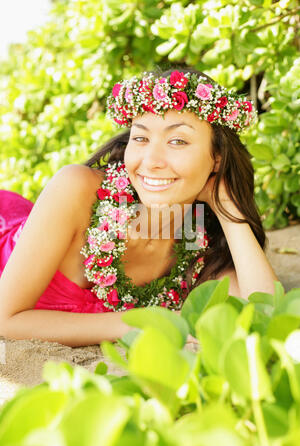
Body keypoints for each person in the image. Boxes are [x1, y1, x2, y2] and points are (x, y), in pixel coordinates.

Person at [0, 66, 278, 347]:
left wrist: (227, 206)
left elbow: (265, 312)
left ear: (216, 158)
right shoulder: (77, 189)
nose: (151, 160)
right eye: (141, 138)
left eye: (177, 141)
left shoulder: (203, 241)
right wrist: (146, 321)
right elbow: (7, 320)